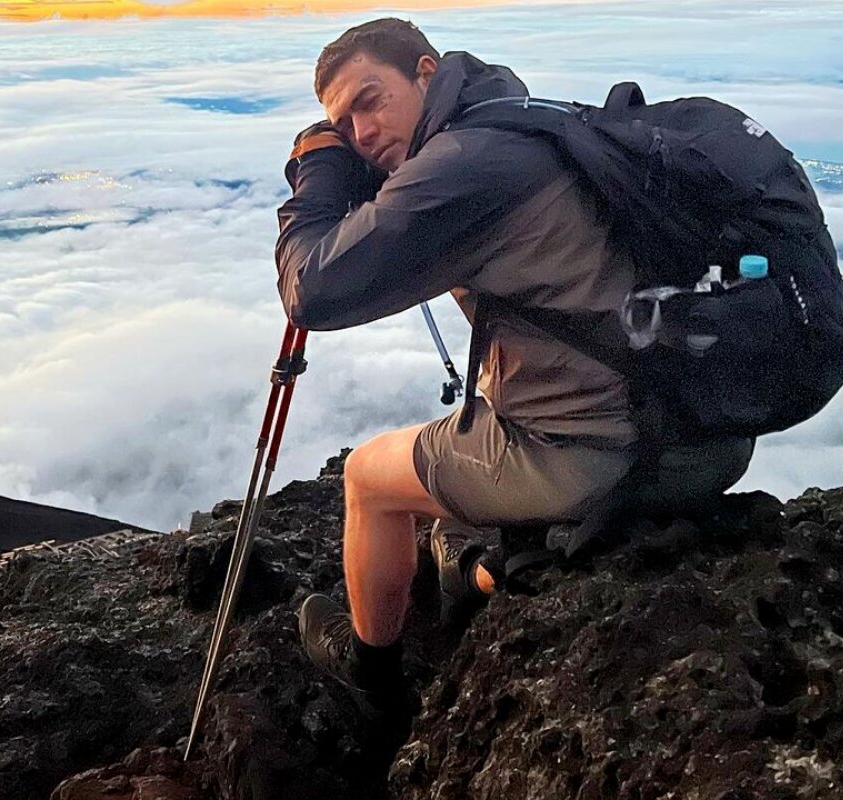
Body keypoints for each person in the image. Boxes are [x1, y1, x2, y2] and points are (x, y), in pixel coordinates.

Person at [276, 18, 754, 710]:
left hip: (608, 459)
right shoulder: (529, 125)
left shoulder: (460, 171)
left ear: (427, 72)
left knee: (366, 480)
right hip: (711, 435)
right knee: (474, 439)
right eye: (343, 125)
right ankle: (478, 574)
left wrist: (318, 169)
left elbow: (310, 290)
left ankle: (371, 675)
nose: (361, 130)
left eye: (369, 99)